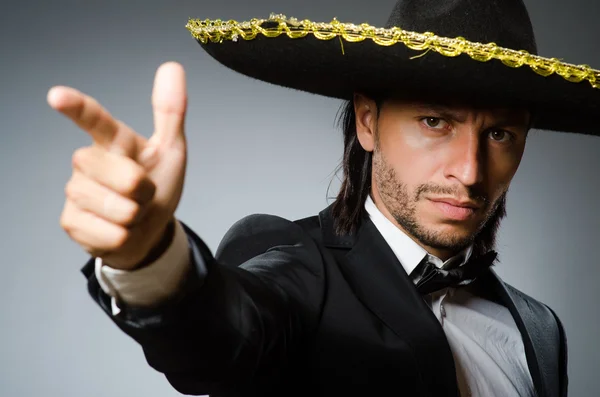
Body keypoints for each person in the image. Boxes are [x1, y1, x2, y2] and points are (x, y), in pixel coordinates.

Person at [48, 0, 599, 396]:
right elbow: (220, 338)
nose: (470, 170)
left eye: (500, 134)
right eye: (435, 122)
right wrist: (150, 257)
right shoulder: (296, 262)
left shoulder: (538, 328)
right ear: (367, 121)